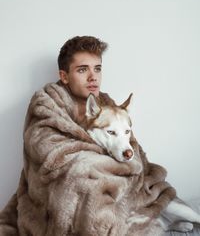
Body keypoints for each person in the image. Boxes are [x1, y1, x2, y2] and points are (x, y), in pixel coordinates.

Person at [0, 36, 176, 236]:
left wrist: (122, 159)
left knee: (138, 187)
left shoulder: (107, 104)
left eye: (97, 69)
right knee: (80, 173)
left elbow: (132, 150)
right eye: (83, 70)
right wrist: (109, 163)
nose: (93, 77)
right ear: (64, 76)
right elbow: (51, 153)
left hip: (104, 198)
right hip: (51, 202)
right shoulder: (46, 104)